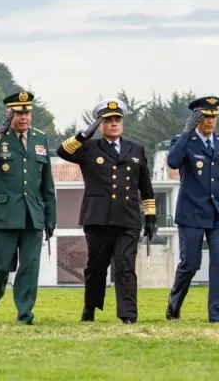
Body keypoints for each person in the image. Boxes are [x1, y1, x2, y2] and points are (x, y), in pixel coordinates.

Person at [57, 99, 157, 324]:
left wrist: (150, 217)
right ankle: (89, 309)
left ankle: (128, 315)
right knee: (96, 267)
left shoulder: (136, 149)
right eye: (108, 120)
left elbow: (146, 186)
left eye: (117, 119)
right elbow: (62, 151)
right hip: (98, 218)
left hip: (128, 218)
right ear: (100, 125)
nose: (114, 124)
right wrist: (84, 135)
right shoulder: (89, 148)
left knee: (126, 266)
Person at [0, 91, 57, 325]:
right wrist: (0, 133)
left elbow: (47, 182)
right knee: (0, 269)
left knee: (29, 268)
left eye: (27, 112)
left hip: (33, 215)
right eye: (18, 113)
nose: (23, 118)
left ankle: (24, 314)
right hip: (4, 216)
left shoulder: (40, 139)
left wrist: (50, 216)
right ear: (8, 113)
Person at [165, 96, 219, 323]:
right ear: (196, 118)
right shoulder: (182, 141)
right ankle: (174, 302)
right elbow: (173, 162)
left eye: (213, 117)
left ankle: (218, 316)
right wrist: (187, 132)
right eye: (205, 117)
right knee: (190, 264)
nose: (210, 121)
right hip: (192, 213)